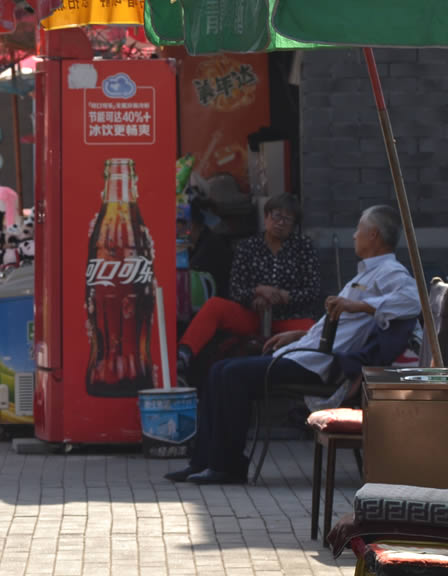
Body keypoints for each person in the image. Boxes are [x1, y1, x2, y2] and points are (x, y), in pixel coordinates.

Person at [166, 205, 419, 485]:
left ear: (373, 235)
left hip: (318, 364)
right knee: (218, 370)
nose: (354, 236)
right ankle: (202, 462)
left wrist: (358, 304)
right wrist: (298, 335)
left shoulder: (390, 272)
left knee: (231, 375)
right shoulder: (365, 274)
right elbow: (335, 324)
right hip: (305, 351)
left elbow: (413, 301)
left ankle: (228, 466)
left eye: (359, 229)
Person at [177, 194, 321, 384]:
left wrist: (286, 296)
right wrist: (256, 292)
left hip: (290, 317)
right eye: (276, 216)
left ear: (294, 224)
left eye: (287, 219)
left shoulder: (304, 247)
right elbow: (235, 289)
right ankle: (183, 355)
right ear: (266, 217)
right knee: (215, 306)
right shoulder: (248, 247)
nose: (280, 223)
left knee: (313, 331)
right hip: (252, 315)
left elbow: (313, 290)